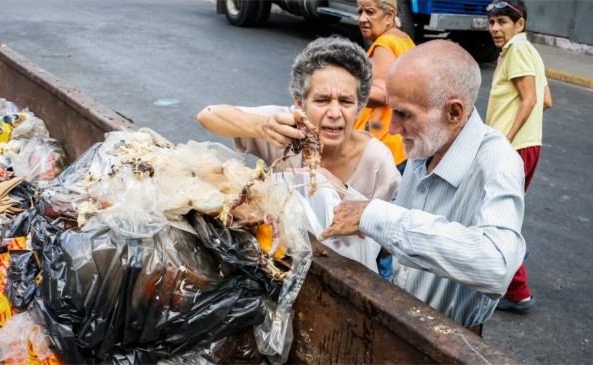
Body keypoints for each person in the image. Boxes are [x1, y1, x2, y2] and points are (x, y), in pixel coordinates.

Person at [321, 39, 527, 334]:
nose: (392, 128)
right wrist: (343, 196)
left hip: (449, 339)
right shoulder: (428, 145)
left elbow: (497, 263)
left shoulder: (496, 161)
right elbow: (402, 221)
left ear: (454, 113)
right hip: (400, 320)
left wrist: (374, 216)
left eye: (404, 114)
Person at [197, 36, 401, 275]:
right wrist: (261, 126)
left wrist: (343, 193)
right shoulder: (284, 127)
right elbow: (208, 115)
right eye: (322, 100)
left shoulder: (378, 161)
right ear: (300, 103)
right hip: (278, 266)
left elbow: (388, 241)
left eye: (346, 101)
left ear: (360, 106)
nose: (334, 112)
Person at [485, 0, 552, 313]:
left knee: (498, 215)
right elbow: (546, 100)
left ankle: (517, 290)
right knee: (500, 212)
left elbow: (531, 98)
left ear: (519, 24)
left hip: (514, 148)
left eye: (503, 22)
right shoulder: (526, 52)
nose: (496, 29)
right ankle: (512, 274)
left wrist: (505, 139)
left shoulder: (518, 51)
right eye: (493, 22)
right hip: (526, 146)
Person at [353, 0, 416, 172]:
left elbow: (381, 94)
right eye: (360, 12)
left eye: (370, 12)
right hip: (401, 144)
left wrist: (345, 88)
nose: (362, 19)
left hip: (383, 146)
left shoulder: (384, 45)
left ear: (389, 16)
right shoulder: (404, 40)